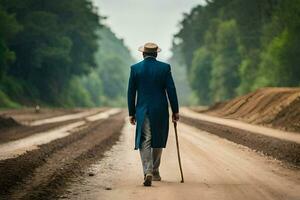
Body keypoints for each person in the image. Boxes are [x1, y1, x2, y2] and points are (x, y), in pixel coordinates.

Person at [127, 42, 179, 186]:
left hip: (143, 110)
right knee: (158, 139)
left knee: (145, 139)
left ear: (143, 54)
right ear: (156, 54)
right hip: (160, 110)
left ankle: (147, 170)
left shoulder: (135, 69)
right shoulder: (165, 68)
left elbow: (131, 93)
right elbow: (171, 90)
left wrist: (131, 112)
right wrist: (175, 110)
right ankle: (155, 171)